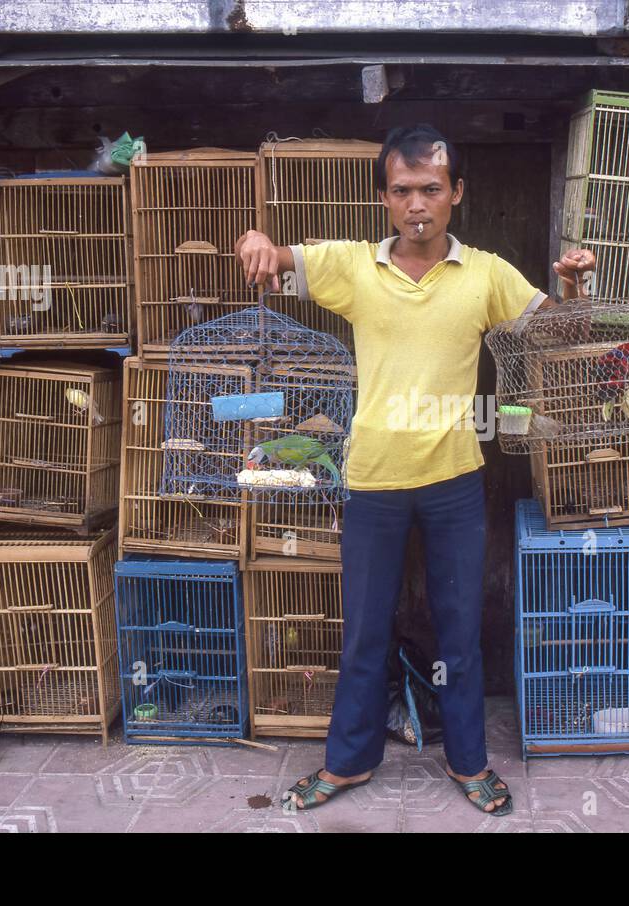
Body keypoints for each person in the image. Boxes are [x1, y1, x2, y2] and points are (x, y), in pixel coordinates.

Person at [236, 124, 595, 815]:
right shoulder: (353, 267)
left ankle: (468, 761)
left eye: (431, 188)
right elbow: (277, 259)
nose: (417, 204)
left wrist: (575, 287)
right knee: (364, 630)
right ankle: (348, 762)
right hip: (373, 480)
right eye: (402, 191)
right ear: (384, 198)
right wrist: (257, 241)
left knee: (459, 631)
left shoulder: (485, 274)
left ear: (456, 193)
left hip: (455, 480)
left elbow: (564, 333)